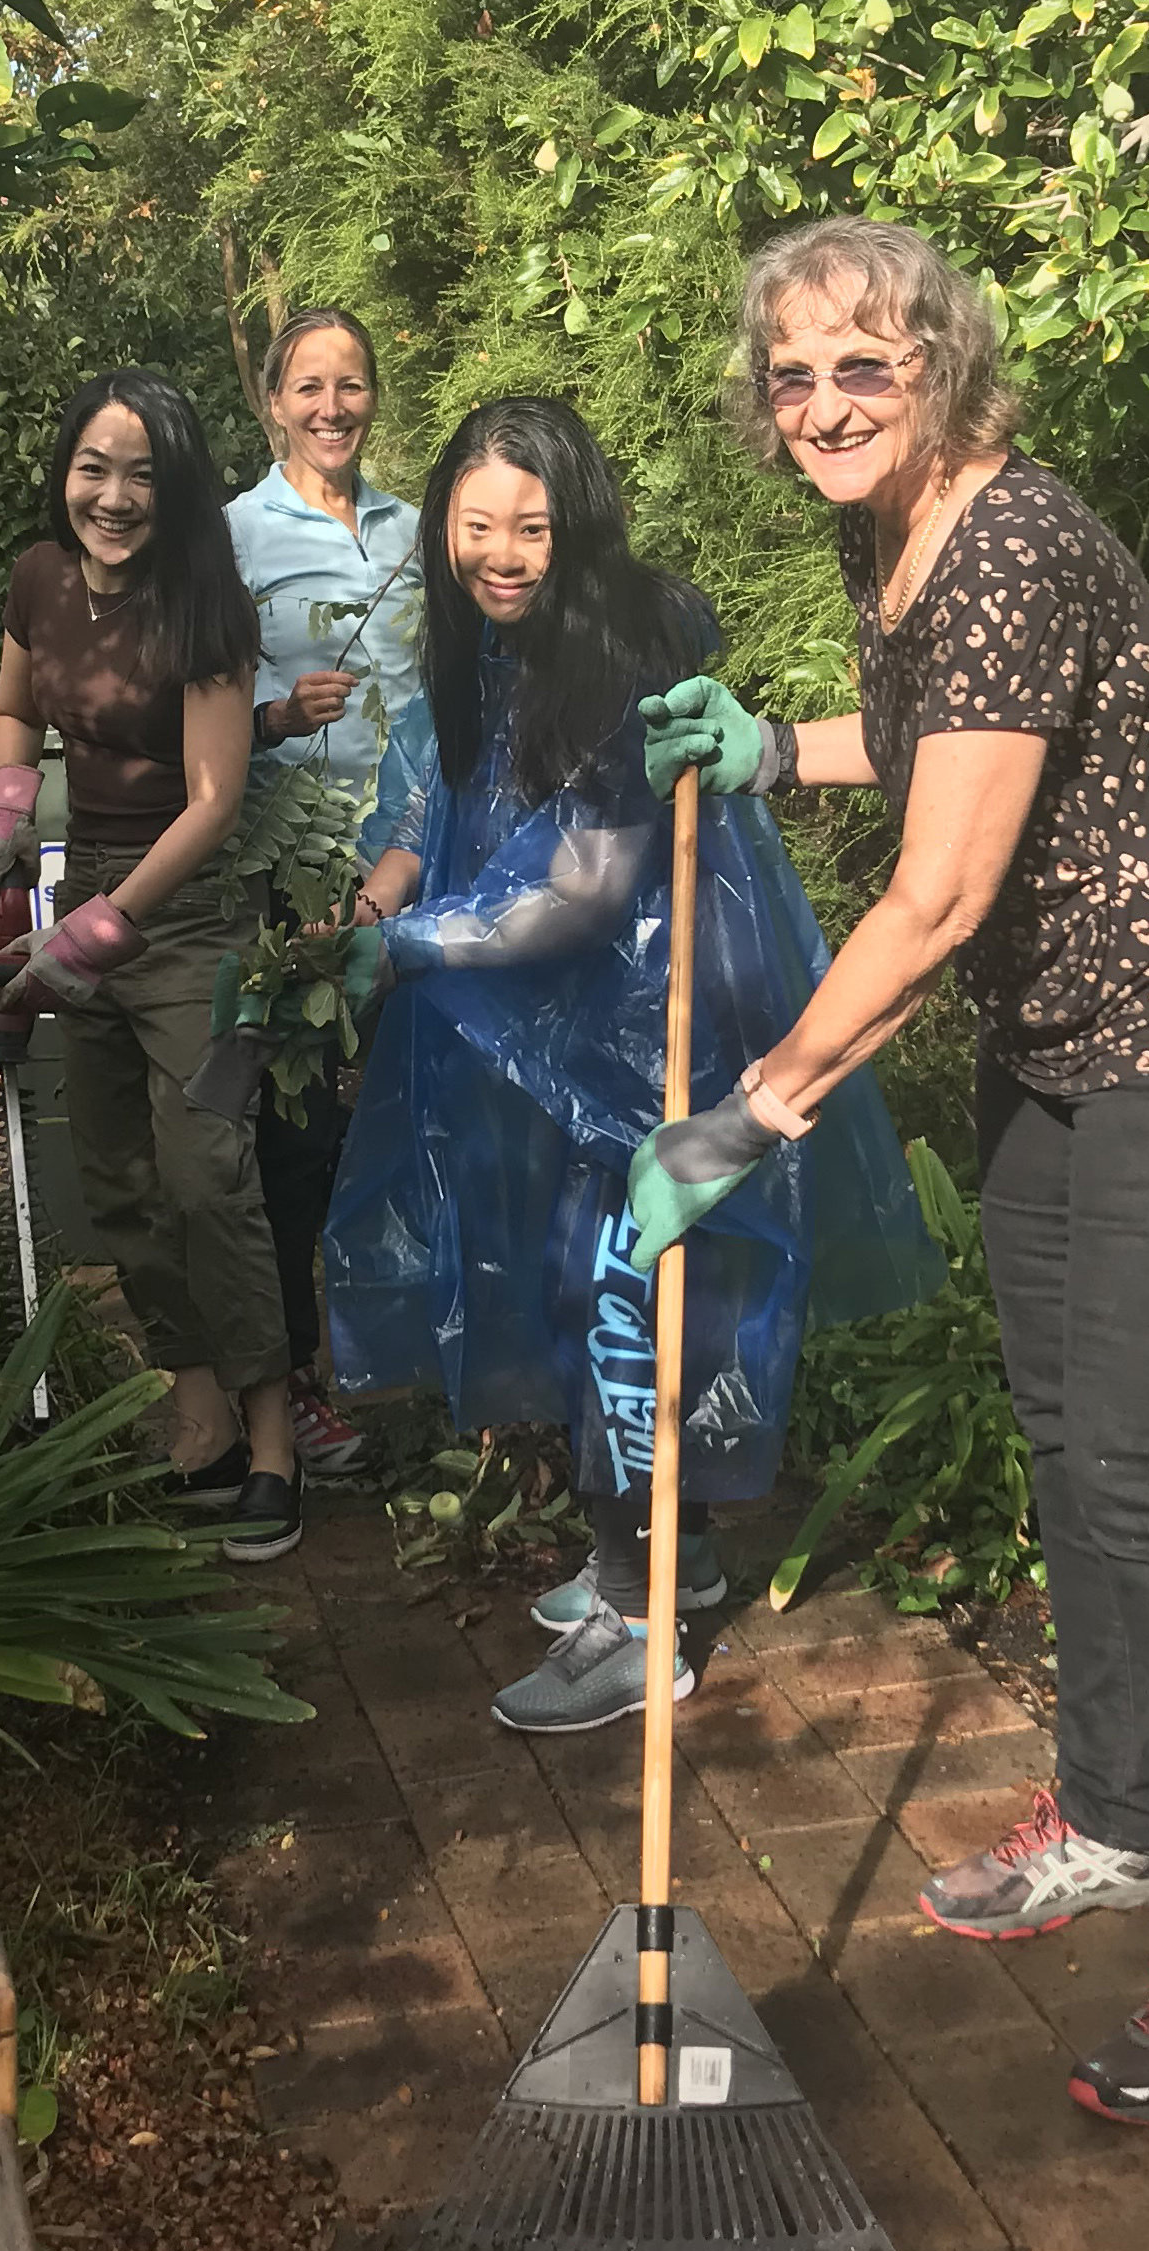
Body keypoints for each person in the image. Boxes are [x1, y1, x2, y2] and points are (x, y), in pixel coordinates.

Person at [632, 217, 1149, 2125]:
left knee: (1148, 1472)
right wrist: (781, 741)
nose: (823, 403)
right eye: (791, 374)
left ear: (937, 362)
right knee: (1059, 1429)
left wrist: (744, 1111)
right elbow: (949, 744)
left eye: (862, 364)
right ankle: (1114, 1816)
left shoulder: (1011, 537)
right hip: (1058, 1042)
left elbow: (938, 895)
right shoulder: (897, 531)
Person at [317, 397, 937, 1732]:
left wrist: (414, 946)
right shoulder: (481, 645)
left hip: (650, 1028)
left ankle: (641, 1612)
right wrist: (373, 916)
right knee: (576, 1280)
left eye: (530, 528)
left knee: (629, 1301)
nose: (501, 552)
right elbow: (434, 803)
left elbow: (579, 894)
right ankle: (666, 1555)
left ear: (577, 527)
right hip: (558, 1037)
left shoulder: (618, 642)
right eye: (475, 526)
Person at [0, 368, 302, 1561]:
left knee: (207, 1171)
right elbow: (17, 712)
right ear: (65, 472)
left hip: (190, 909)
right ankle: (195, 1409)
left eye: (142, 474)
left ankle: (272, 1443)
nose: (112, 496)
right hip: (85, 875)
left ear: (179, 486)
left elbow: (214, 802)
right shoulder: (38, 578)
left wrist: (97, 933)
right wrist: (6, 805)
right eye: (93, 468)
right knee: (114, 1173)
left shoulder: (206, 604)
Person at [224, 309, 428, 1481]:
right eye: (310, 387)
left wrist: (414, 855)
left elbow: (442, 706)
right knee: (297, 1140)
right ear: (274, 401)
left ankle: (406, 1359)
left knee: (400, 1120)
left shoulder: (411, 529)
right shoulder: (236, 533)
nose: (333, 408)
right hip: (291, 875)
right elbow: (200, 711)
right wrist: (274, 724)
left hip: (411, 861)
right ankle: (298, 1380)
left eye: (352, 385)